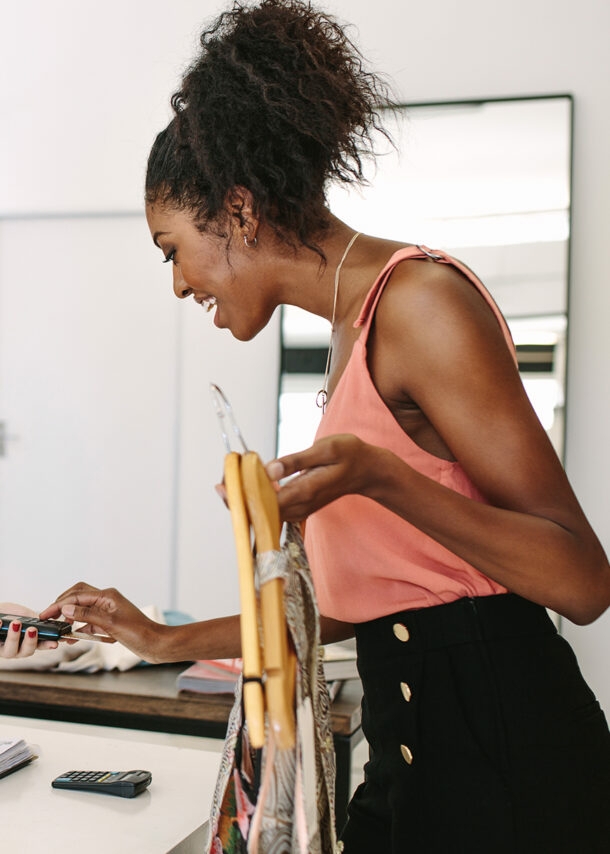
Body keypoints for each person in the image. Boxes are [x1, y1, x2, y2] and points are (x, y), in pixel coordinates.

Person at [40, 1, 610, 850]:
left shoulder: (420, 304)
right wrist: (159, 639)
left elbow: (582, 581)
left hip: (513, 767)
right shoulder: (350, 334)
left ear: (237, 211)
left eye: (171, 249)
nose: (177, 284)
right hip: (417, 758)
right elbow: (355, 611)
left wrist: (383, 479)